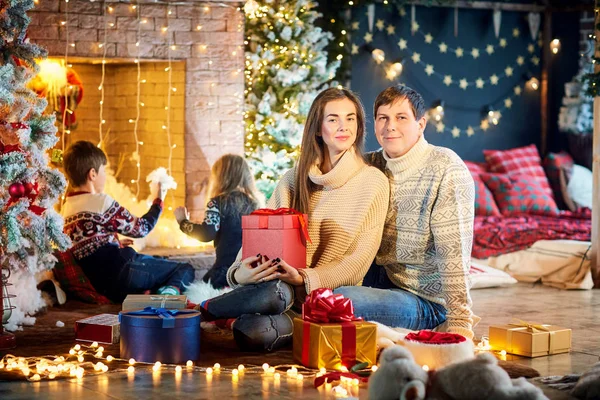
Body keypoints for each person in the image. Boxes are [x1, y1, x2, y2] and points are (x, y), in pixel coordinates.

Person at [199, 87, 390, 351]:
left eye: (351, 118)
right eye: (333, 119)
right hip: (279, 287)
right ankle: (207, 310)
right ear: (317, 128)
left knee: (253, 332)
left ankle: (213, 311)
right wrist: (240, 272)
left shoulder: (373, 182)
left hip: (324, 302)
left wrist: (303, 278)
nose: (343, 126)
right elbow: (258, 238)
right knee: (273, 292)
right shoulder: (293, 179)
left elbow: (357, 263)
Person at [334, 84, 477, 339]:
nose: (390, 126)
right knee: (320, 294)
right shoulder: (369, 164)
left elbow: (453, 252)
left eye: (401, 118)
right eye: (383, 118)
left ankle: (426, 323)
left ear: (421, 124)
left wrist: (460, 323)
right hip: (376, 277)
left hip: (424, 299)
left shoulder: (445, 168)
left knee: (341, 300)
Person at [62, 140, 195, 302]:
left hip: (105, 284)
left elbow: (88, 244)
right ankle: (167, 296)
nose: (104, 175)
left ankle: (148, 294)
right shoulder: (101, 201)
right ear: (93, 174)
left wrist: (113, 242)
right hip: (124, 271)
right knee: (184, 269)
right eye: (103, 170)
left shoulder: (66, 206)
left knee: (159, 263)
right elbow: (142, 228)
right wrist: (158, 200)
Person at [174, 154, 261, 289]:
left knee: (197, 293)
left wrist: (183, 222)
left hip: (225, 273)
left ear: (220, 177)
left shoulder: (217, 203)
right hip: (250, 272)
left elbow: (206, 234)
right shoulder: (255, 204)